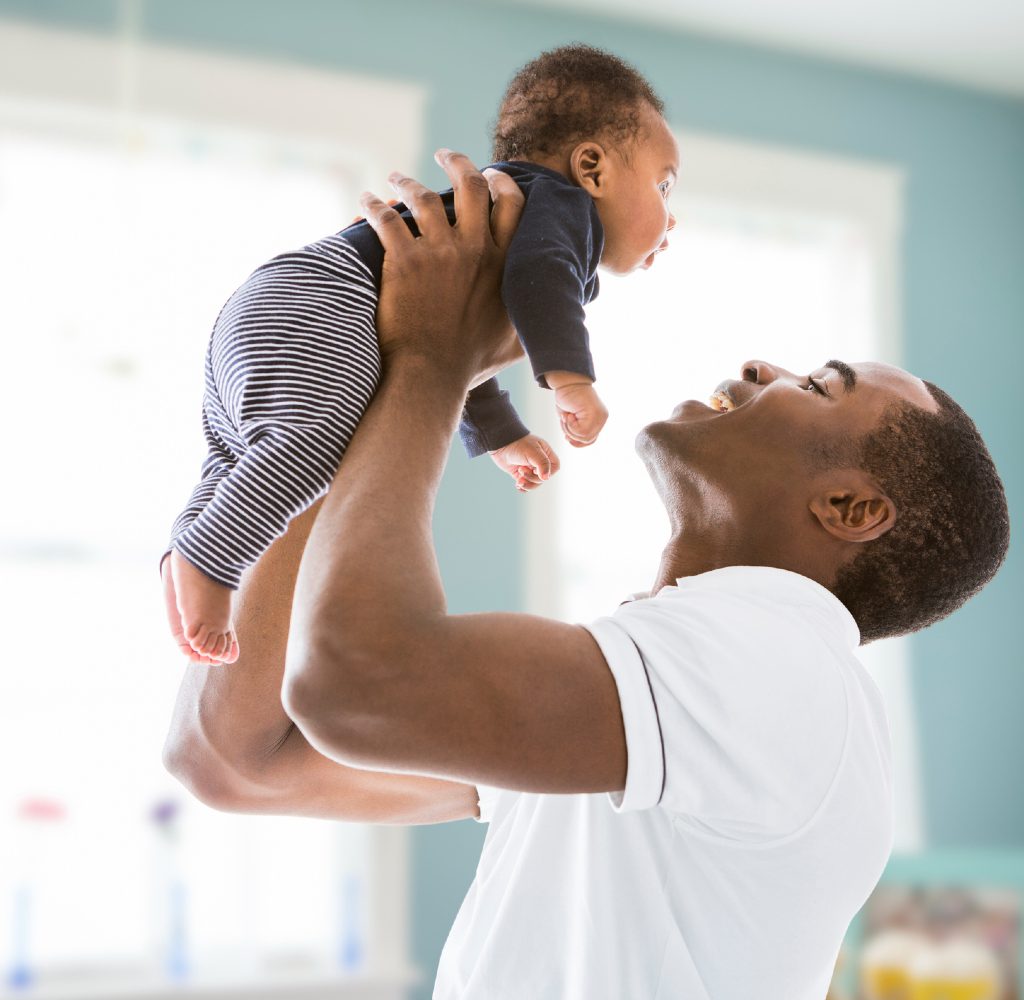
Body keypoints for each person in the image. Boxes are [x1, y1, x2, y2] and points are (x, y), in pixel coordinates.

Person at [162, 154, 1009, 1000]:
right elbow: (233, 759)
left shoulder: (776, 668)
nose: (762, 367)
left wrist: (432, 357)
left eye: (821, 388)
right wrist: (338, 387)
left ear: (851, 509)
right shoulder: (657, 713)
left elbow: (358, 683)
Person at [162, 43, 678, 665]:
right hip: (330, 295)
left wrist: (502, 434)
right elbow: (541, 282)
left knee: (235, 451)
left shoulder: (510, 209)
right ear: (592, 168)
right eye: (665, 186)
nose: (671, 220)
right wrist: (572, 383)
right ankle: (209, 561)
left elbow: (465, 338)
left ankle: (183, 550)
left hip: (282, 297)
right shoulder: (564, 211)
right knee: (312, 445)